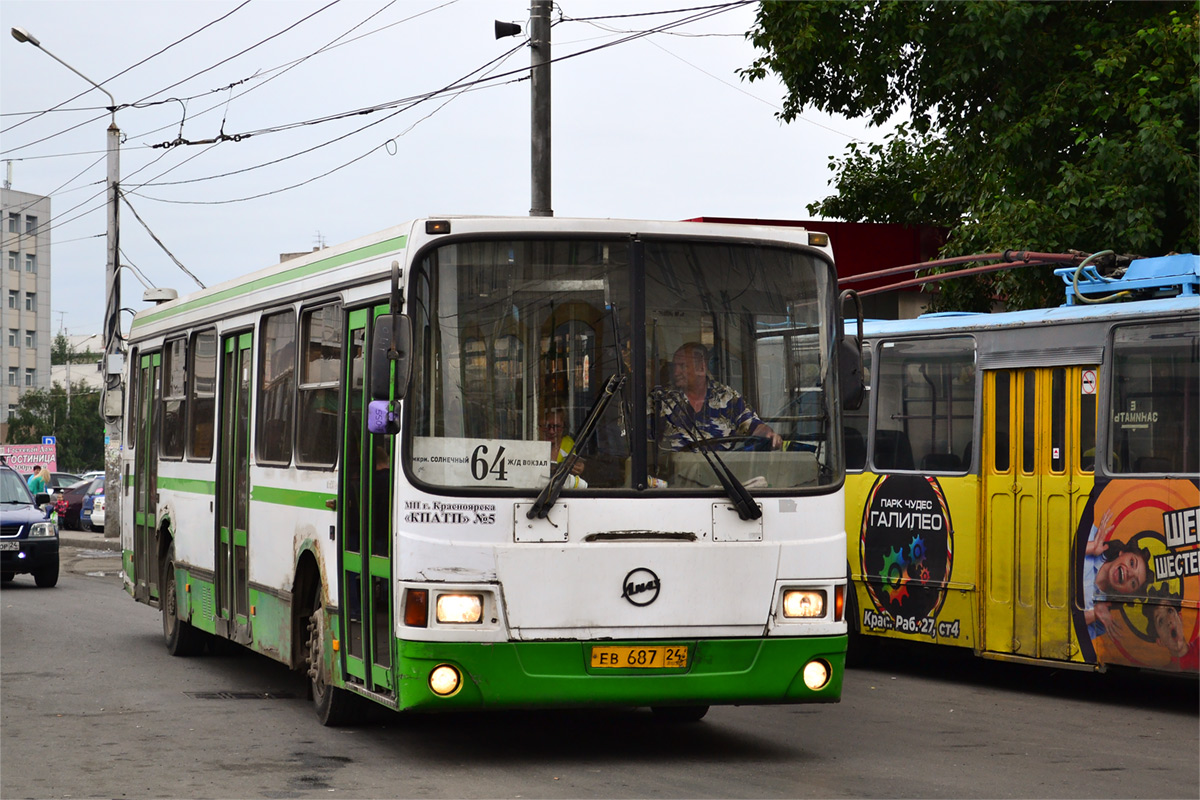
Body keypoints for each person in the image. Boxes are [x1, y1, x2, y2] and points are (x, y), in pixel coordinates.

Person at [656, 342, 782, 451]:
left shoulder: (727, 398)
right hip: (674, 473)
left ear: (701, 367)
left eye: (682, 366)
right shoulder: (661, 399)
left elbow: (753, 426)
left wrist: (769, 435)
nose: (676, 372)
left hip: (721, 475)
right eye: (675, 366)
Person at [540, 407, 587, 489]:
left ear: (564, 427)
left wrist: (579, 469)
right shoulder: (533, 441)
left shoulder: (568, 443)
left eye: (557, 426)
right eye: (547, 426)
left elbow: (574, 469)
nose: (551, 431)